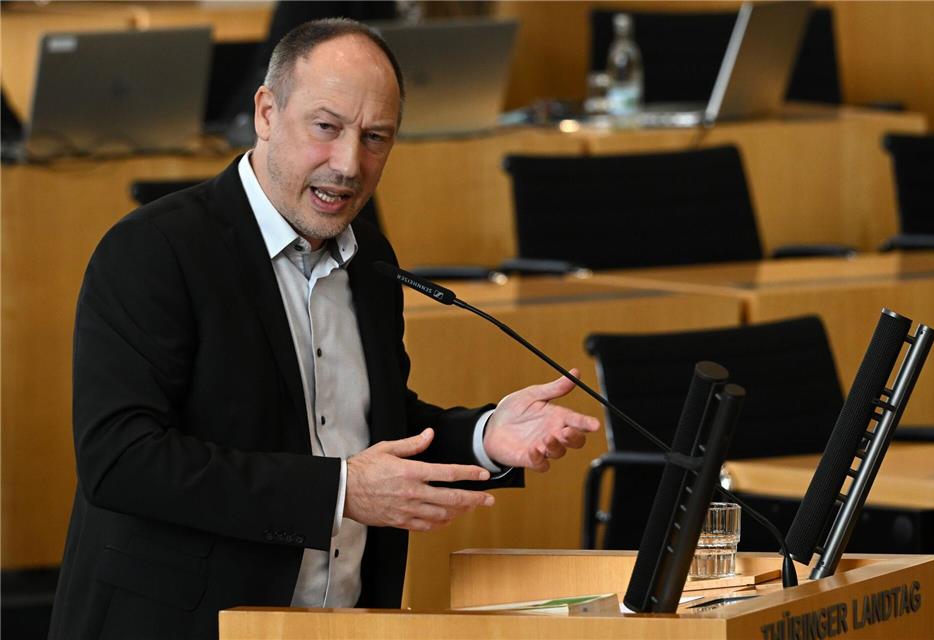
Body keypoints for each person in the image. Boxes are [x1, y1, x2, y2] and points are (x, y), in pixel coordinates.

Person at [49, 18, 599, 640]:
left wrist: (481, 435)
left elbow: (364, 425)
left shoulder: (368, 259)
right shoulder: (153, 250)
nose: (348, 163)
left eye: (376, 138)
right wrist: (338, 492)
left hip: (343, 623)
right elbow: (121, 460)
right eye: (326, 128)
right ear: (265, 111)